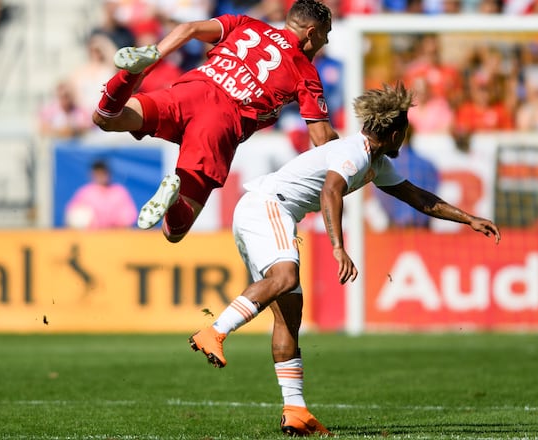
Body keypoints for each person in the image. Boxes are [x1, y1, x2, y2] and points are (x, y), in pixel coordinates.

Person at [188, 83, 501, 436]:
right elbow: (331, 189)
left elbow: (417, 196)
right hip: (267, 206)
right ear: (397, 133)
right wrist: (338, 247)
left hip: (263, 211)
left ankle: (295, 410)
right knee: (287, 277)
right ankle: (213, 331)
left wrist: (469, 218)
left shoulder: (375, 162)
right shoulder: (354, 153)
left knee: (290, 315)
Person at [92, 0, 338, 244]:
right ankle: (174, 196)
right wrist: (356, 151)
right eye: (325, 35)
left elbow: (189, 29)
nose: (325, 42)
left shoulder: (248, 24)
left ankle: (130, 73)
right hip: (220, 122)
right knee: (173, 231)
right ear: (311, 33)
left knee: (106, 118)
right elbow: (322, 140)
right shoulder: (305, 72)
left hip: (191, 90)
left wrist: (153, 58)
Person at [64, 159, 138, 229]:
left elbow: (130, 215)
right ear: (92, 174)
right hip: (91, 236)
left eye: (103, 173)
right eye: (98, 173)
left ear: (109, 173)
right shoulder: (85, 192)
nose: (101, 176)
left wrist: (115, 223)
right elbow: (73, 214)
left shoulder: (119, 191)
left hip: (116, 235)